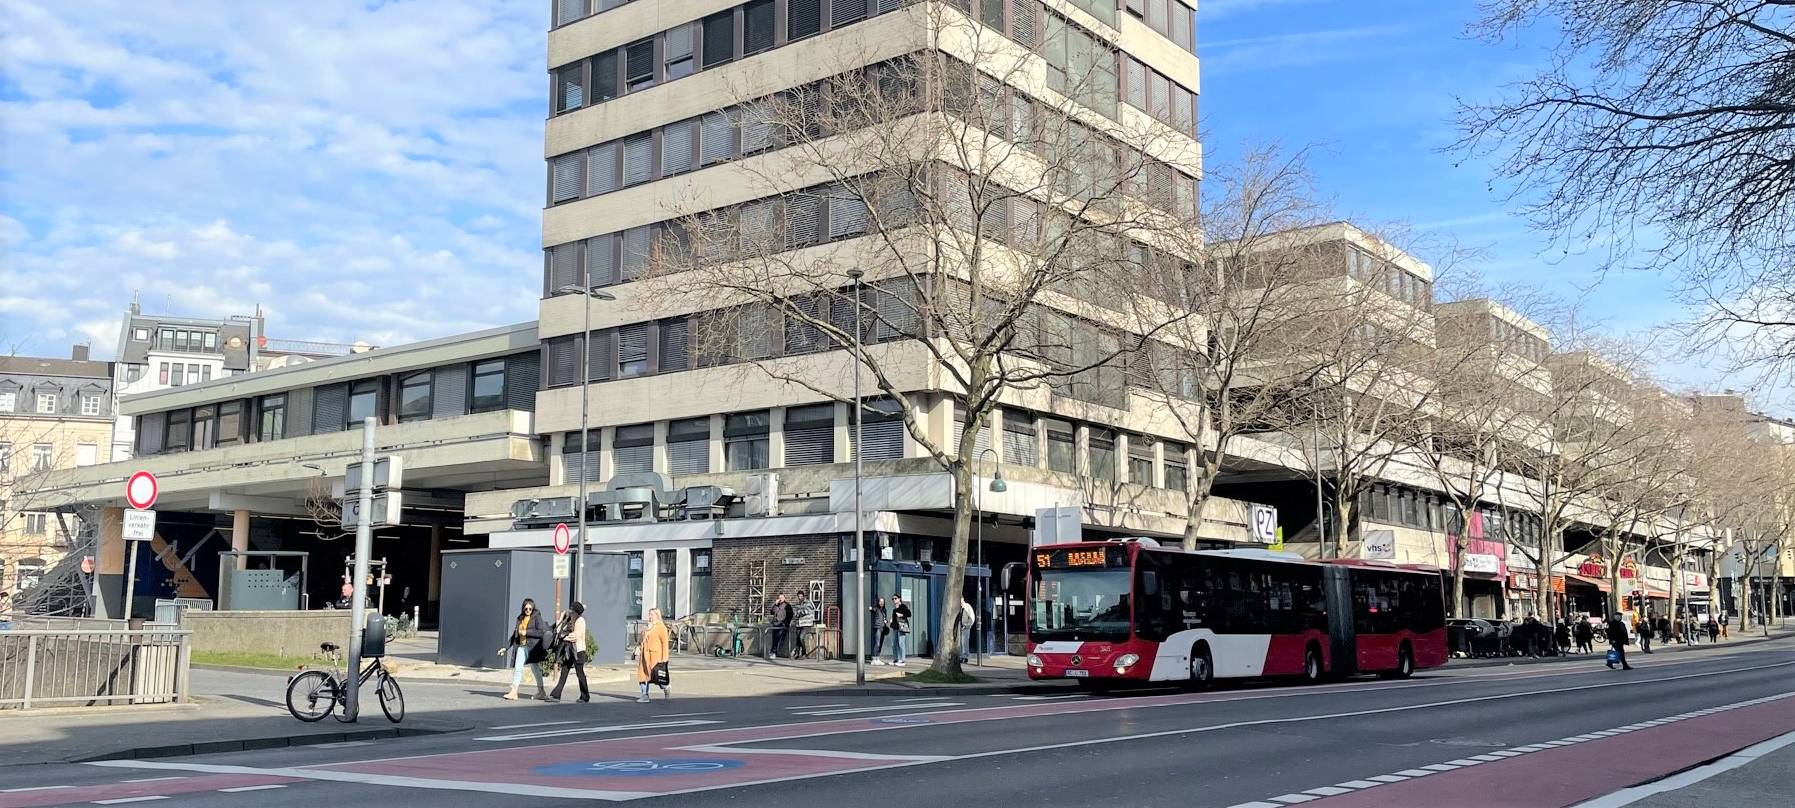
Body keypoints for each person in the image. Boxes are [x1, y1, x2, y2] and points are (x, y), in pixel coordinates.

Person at [501, 598, 549, 700]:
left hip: (532, 648)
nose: (528, 610)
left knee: (535, 669)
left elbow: (541, 632)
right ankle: (514, 692)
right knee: (518, 668)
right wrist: (505, 648)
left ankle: (541, 691)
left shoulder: (537, 617)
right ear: (523, 608)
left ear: (533, 609)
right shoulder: (520, 619)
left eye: (530, 609)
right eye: (526, 608)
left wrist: (526, 632)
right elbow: (515, 636)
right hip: (521, 647)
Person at [548, 601, 590, 703]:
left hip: (578, 651)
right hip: (568, 650)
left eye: (572, 610)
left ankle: (585, 696)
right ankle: (556, 695)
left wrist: (564, 637)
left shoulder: (580, 621)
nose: (570, 611)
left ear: (577, 612)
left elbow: (576, 635)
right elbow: (559, 630)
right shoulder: (569, 619)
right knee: (564, 671)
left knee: (580, 673)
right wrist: (562, 617)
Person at [637, 608, 670, 703]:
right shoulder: (647, 626)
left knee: (656, 677)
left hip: (655, 655)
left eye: (651, 614)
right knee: (643, 675)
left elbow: (664, 643)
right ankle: (644, 695)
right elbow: (642, 640)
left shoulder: (661, 627)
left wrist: (664, 658)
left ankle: (666, 686)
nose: (650, 616)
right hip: (645, 655)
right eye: (649, 614)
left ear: (657, 615)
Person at [766, 594, 792, 660]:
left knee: (778, 638)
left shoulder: (787, 605)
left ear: (784, 598)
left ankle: (773, 652)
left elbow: (790, 615)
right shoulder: (776, 605)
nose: (780, 599)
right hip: (775, 623)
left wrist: (786, 623)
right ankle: (773, 652)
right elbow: (771, 612)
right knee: (774, 638)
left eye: (781, 598)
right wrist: (775, 604)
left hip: (782, 624)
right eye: (779, 598)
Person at [792, 592, 816, 659]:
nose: (800, 598)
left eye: (801, 596)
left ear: (803, 596)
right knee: (797, 638)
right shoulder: (797, 604)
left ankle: (804, 652)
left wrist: (800, 612)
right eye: (799, 596)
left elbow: (808, 611)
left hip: (807, 623)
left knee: (801, 637)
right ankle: (797, 652)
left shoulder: (808, 603)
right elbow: (795, 613)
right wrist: (798, 613)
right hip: (799, 623)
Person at [890, 594, 911, 666]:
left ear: (899, 599)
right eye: (893, 599)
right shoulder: (894, 609)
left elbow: (909, 614)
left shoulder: (903, 606)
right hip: (895, 627)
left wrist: (901, 615)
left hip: (902, 627)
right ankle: (896, 659)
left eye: (895, 598)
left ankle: (902, 660)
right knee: (893, 644)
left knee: (901, 643)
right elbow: (894, 618)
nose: (894, 600)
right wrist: (891, 620)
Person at [868, 597, 889, 666]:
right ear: (878, 602)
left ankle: (878, 658)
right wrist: (870, 608)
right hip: (877, 627)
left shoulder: (884, 610)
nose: (881, 603)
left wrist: (886, 621)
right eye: (880, 601)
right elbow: (872, 609)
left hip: (883, 628)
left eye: (883, 601)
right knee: (877, 643)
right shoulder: (876, 608)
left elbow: (885, 618)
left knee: (880, 644)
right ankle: (874, 659)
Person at [958, 597, 977, 663]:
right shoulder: (958, 607)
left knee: (964, 643)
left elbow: (972, 617)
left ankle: (965, 657)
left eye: (961, 600)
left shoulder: (967, 607)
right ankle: (960, 656)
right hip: (959, 628)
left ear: (963, 599)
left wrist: (967, 625)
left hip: (965, 628)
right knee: (959, 643)